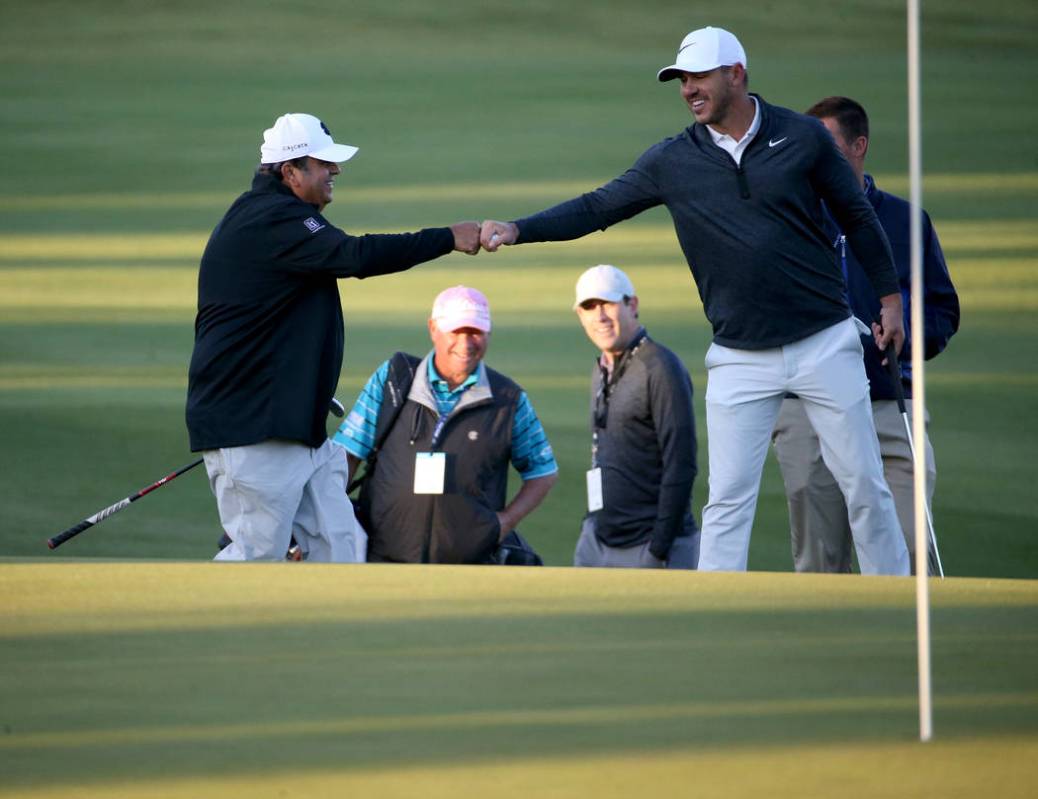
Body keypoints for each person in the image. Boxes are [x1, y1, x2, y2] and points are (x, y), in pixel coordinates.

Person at [479, 26, 910, 575]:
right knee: (727, 499)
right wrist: (518, 229)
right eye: (682, 80)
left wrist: (891, 301)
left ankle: (894, 597)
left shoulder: (802, 137)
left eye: (699, 76)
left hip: (823, 339)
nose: (688, 89)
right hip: (739, 355)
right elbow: (596, 207)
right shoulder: (673, 161)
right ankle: (716, 606)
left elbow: (858, 215)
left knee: (864, 484)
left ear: (736, 74)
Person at [186, 113, 481, 562]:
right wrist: (446, 238)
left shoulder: (274, 216)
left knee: (340, 548)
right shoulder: (271, 218)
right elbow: (355, 255)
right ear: (290, 172)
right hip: (255, 427)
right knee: (255, 556)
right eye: (323, 163)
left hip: (293, 428)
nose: (335, 171)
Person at [772, 96, 960, 574]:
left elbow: (942, 310)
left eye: (825, 144)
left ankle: (913, 646)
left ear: (859, 146)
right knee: (819, 561)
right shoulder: (788, 220)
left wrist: (906, 334)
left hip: (888, 401)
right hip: (807, 407)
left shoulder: (904, 221)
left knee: (911, 551)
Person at [332, 286, 558, 563]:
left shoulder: (509, 400)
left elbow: (543, 472)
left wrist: (505, 523)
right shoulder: (394, 379)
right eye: (456, 331)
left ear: (487, 333)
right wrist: (326, 522)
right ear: (433, 329)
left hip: (468, 568)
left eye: (475, 332)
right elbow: (347, 456)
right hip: (383, 560)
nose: (465, 344)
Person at [571, 265, 700, 569]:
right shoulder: (602, 367)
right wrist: (591, 525)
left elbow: (681, 464)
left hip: (649, 547)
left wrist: (658, 549)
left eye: (608, 304)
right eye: (589, 307)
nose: (599, 316)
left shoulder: (660, 368)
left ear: (632, 305)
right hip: (597, 540)